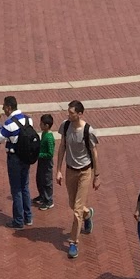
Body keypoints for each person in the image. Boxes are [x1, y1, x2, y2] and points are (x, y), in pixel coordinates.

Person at [56, 98, 99, 259]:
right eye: (68, 112)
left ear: (80, 114)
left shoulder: (88, 130)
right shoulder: (65, 126)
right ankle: (87, 214)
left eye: (72, 113)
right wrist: (58, 170)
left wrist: (97, 176)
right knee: (73, 204)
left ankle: (73, 242)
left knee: (76, 210)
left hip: (85, 172)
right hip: (70, 171)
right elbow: (62, 147)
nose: (69, 115)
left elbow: (94, 154)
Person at [0, 94, 35, 229]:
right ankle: (28, 217)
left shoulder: (9, 124)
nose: (3, 109)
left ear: (9, 108)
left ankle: (18, 220)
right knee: (25, 186)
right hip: (26, 157)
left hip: (14, 159)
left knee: (16, 189)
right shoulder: (29, 120)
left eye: (4, 106)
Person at [34, 113, 55, 209]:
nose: (40, 125)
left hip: (46, 162)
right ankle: (42, 196)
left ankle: (48, 200)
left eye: (41, 124)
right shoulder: (44, 134)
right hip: (42, 161)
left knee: (47, 181)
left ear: (47, 125)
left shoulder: (49, 137)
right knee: (40, 178)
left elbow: (50, 153)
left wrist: (39, 154)